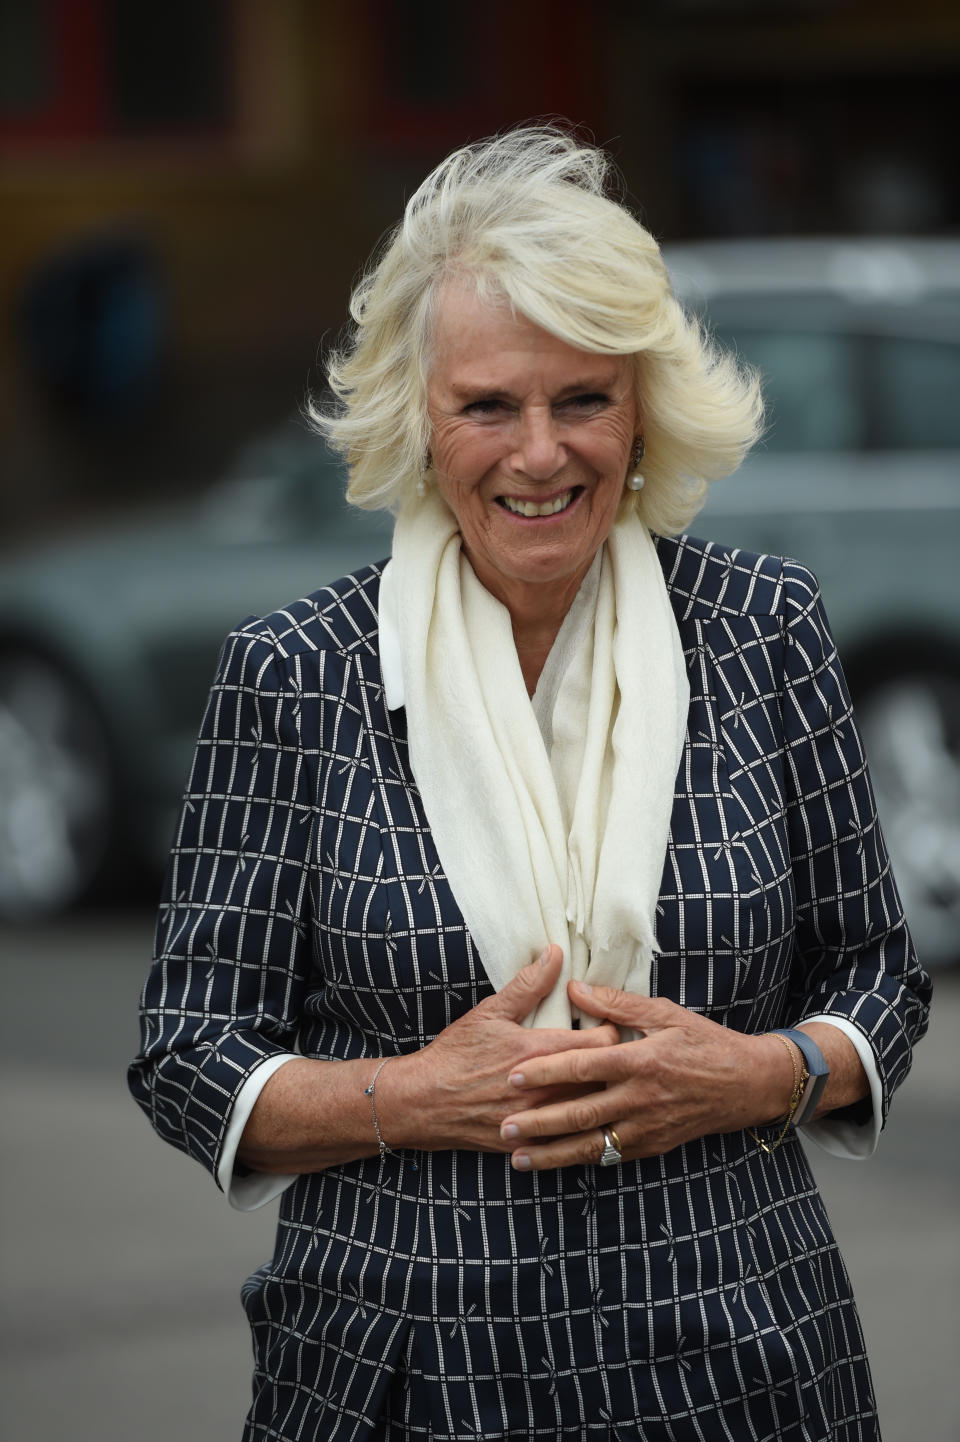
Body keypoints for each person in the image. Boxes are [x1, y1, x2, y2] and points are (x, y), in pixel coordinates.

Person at [129, 127, 931, 1442]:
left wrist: (763, 1074)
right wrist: (416, 1096)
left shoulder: (764, 625)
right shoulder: (295, 671)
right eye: (489, 404)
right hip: (405, 1369)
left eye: (584, 399)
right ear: (417, 415)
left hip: (741, 1354)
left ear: (644, 405)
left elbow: (877, 979)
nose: (542, 454)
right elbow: (186, 1052)